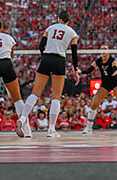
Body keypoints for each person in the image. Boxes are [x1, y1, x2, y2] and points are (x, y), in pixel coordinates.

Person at [17, 10, 79, 138]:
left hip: (46, 58)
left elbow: (41, 45)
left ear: (58, 19)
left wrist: (45, 57)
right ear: (68, 21)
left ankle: (23, 118)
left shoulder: (50, 28)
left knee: (35, 93)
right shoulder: (72, 33)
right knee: (56, 96)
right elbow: (74, 53)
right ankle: (51, 129)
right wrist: (75, 69)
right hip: (59, 60)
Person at [80, 45, 117, 134]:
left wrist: (115, 71)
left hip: (115, 82)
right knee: (95, 103)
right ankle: (89, 127)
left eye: (105, 49)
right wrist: (81, 72)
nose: (103, 50)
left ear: (108, 50)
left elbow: (115, 66)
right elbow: (89, 70)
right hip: (105, 84)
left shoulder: (112, 60)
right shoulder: (98, 61)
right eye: (102, 49)